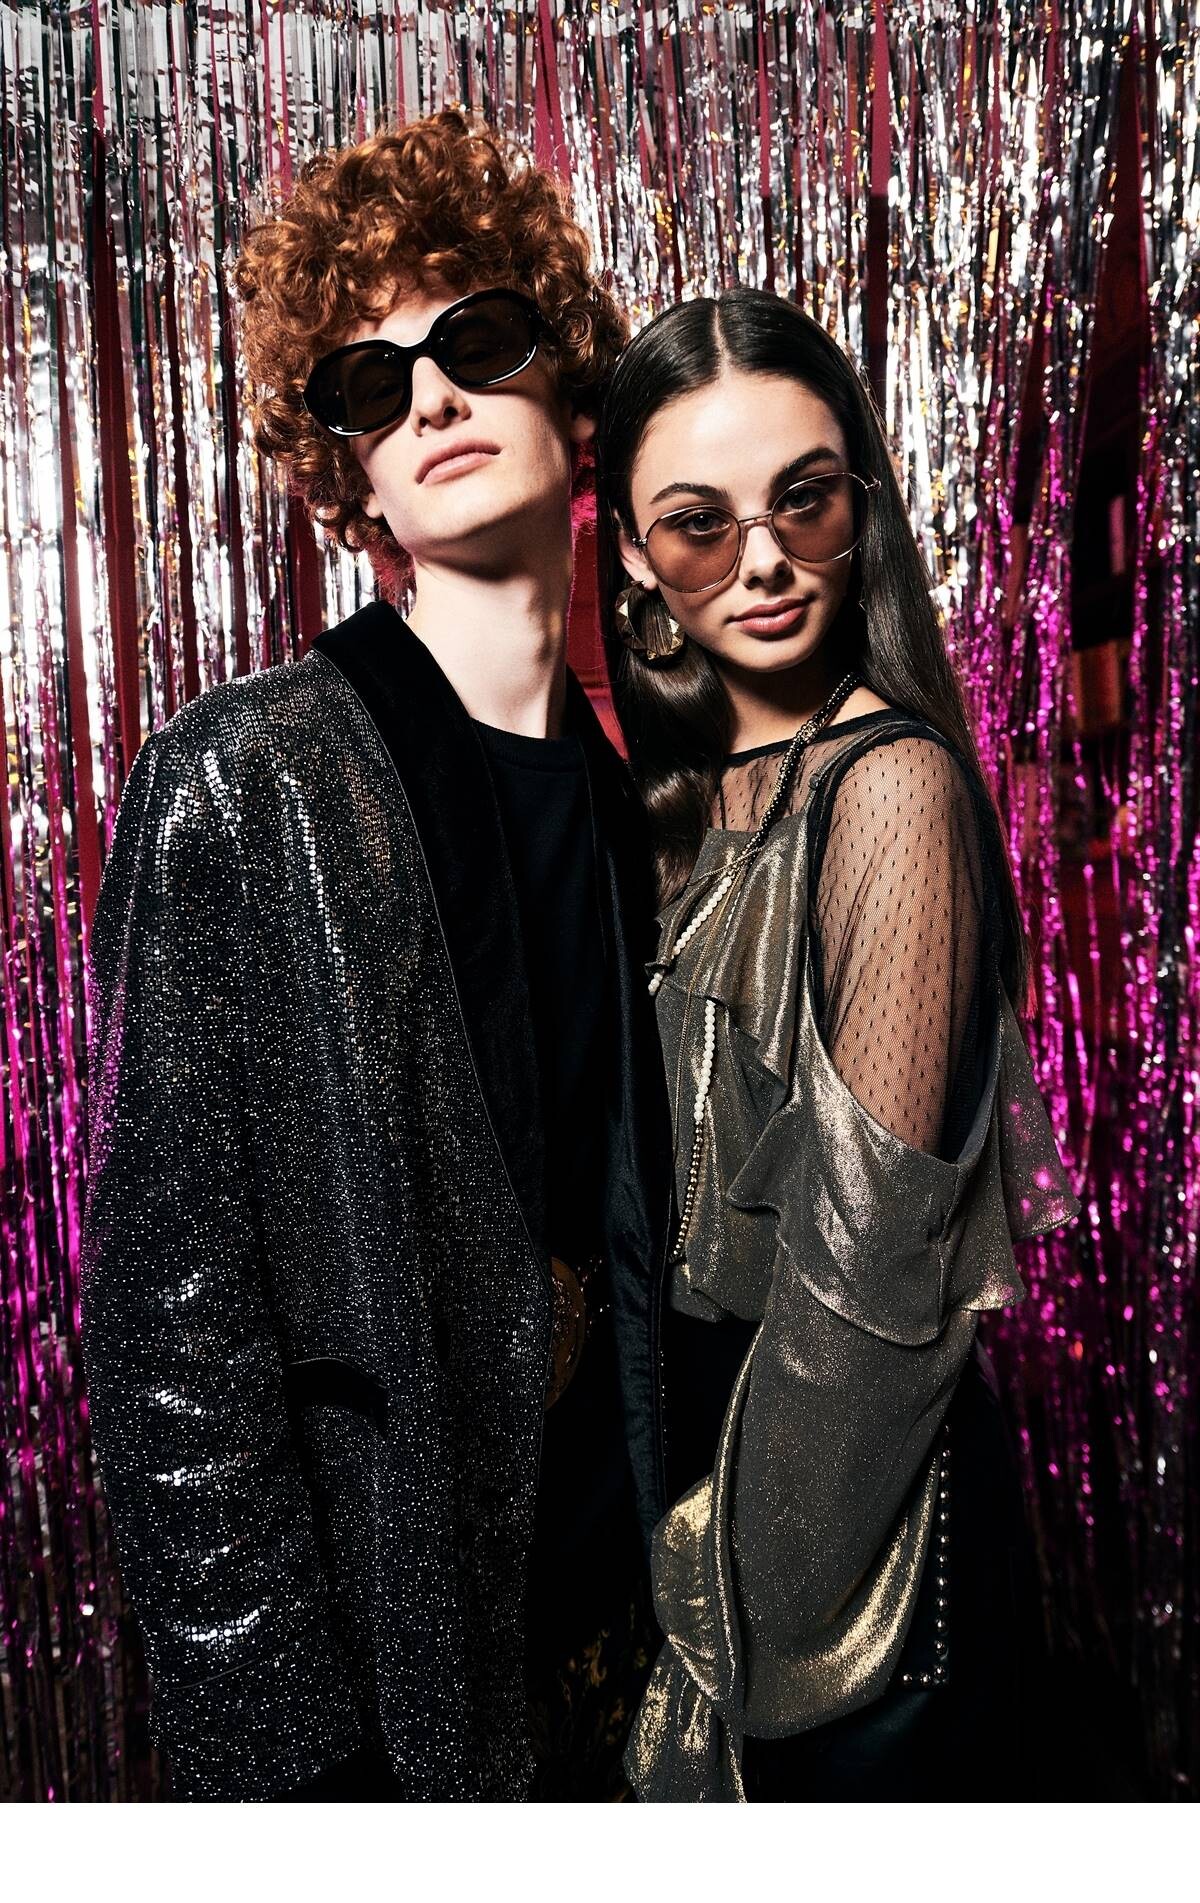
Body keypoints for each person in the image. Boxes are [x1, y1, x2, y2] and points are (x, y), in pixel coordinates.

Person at [79, 111, 676, 1803]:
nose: (428, 399)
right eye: (367, 380)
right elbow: (170, 1344)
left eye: (474, 341)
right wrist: (301, 1789)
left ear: (572, 396)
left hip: (640, 1690)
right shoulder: (241, 780)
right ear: (345, 473)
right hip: (392, 1721)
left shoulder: (650, 812)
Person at [594, 287, 1081, 1802]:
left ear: (857, 502)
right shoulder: (677, 801)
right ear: (632, 554)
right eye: (697, 524)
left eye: (801, 500)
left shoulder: (889, 789)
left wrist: (721, 1634)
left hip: (850, 1556)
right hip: (700, 1501)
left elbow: (867, 1287)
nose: (760, 561)